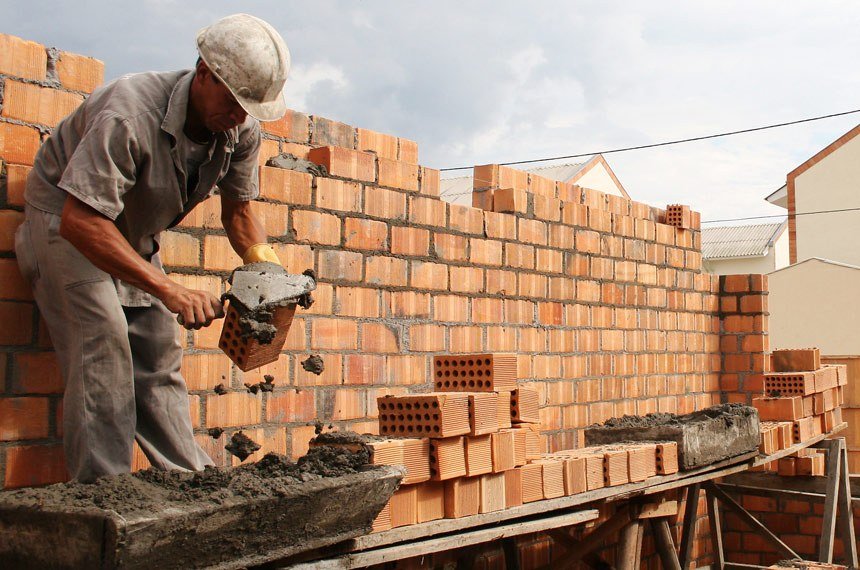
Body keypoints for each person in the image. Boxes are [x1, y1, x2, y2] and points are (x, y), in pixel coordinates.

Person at [14, 14, 290, 482]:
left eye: (251, 107)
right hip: (64, 224)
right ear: (204, 72)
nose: (241, 115)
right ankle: (106, 497)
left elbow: (239, 212)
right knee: (102, 347)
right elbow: (81, 221)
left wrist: (270, 271)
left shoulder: (240, 129)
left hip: (128, 235)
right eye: (234, 101)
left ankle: (193, 487)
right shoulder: (129, 111)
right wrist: (169, 289)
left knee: (160, 353)